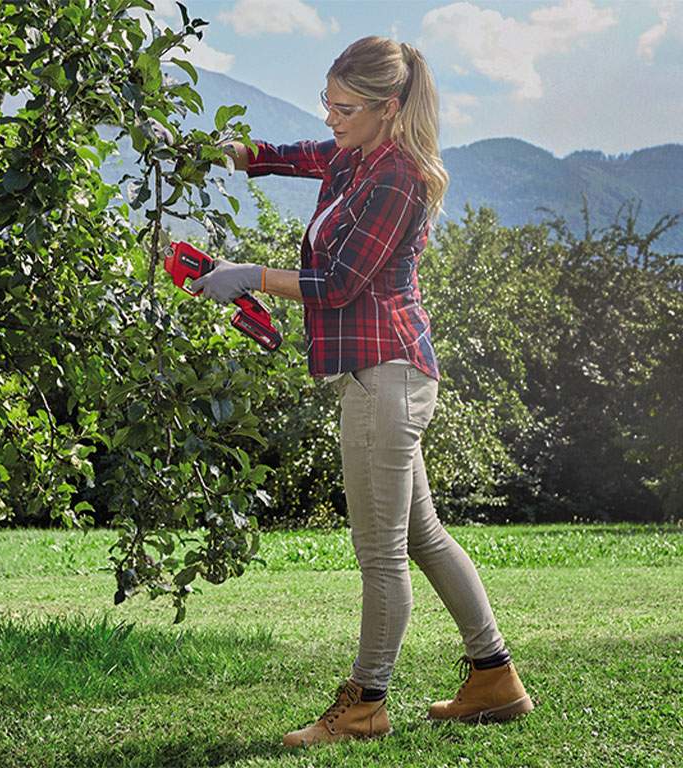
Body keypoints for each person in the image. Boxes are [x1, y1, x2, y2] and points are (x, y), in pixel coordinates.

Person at [190, 36, 534, 748]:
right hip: (388, 373)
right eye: (327, 101)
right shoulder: (354, 154)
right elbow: (290, 154)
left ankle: (364, 705)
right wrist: (211, 149)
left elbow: (339, 285)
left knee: (381, 554)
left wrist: (248, 275)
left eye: (344, 107)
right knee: (423, 537)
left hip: (387, 376)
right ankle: (494, 678)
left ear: (389, 108)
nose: (329, 117)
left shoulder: (397, 178)